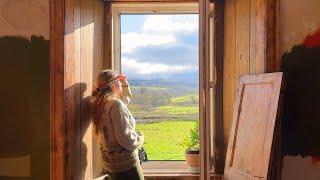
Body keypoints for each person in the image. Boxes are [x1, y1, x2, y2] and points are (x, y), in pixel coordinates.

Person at [91, 70, 144, 180]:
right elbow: (125, 138)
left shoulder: (100, 104)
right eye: (118, 81)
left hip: (110, 164)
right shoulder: (115, 105)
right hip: (125, 165)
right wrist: (139, 139)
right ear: (113, 84)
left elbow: (124, 100)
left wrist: (124, 84)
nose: (120, 82)